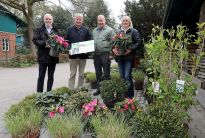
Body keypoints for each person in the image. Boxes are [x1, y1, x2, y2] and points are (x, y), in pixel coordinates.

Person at [112, 15, 142, 98]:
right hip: (120, 58)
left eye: (126, 21)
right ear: (121, 22)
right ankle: (124, 95)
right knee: (122, 77)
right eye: (123, 21)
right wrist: (113, 50)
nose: (125, 22)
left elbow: (139, 42)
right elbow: (113, 43)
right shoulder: (118, 32)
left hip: (128, 58)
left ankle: (130, 96)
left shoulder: (133, 31)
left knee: (127, 76)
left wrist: (130, 49)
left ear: (129, 22)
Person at [33, 14, 59, 92]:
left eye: (49, 19)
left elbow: (60, 41)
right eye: (46, 19)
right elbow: (35, 40)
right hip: (43, 57)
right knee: (41, 76)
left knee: (51, 76)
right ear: (44, 20)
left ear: (52, 20)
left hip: (53, 57)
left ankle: (49, 93)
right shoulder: (39, 30)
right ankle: (39, 94)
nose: (48, 20)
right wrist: (45, 43)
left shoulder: (56, 30)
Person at [66, 13, 91, 89]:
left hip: (82, 56)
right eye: (77, 19)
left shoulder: (86, 30)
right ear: (74, 20)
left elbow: (89, 41)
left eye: (80, 19)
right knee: (72, 74)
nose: (78, 20)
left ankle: (80, 90)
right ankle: (71, 90)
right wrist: (69, 49)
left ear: (82, 20)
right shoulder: (70, 29)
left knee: (81, 74)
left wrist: (88, 50)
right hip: (73, 56)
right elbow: (66, 42)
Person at [92, 15, 115, 96]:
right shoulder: (94, 30)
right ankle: (99, 89)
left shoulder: (110, 30)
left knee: (106, 74)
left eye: (102, 20)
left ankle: (108, 91)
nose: (100, 22)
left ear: (105, 21)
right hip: (96, 55)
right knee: (98, 74)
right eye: (99, 20)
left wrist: (111, 54)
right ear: (97, 21)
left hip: (105, 54)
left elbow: (114, 42)